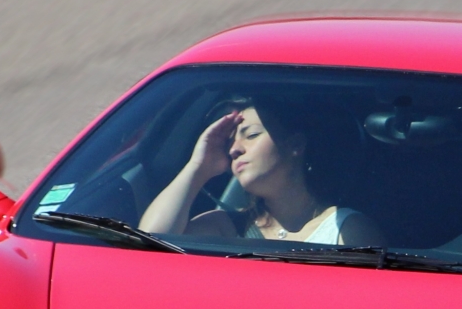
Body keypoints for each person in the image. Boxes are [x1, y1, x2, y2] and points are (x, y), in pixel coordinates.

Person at [139, 101, 383, 246]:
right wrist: (198, 168)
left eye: (252, 135)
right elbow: (149, 244)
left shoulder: (347, 230)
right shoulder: (225, 227)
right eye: (230, 143)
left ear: (295, 145)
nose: (235, 149)